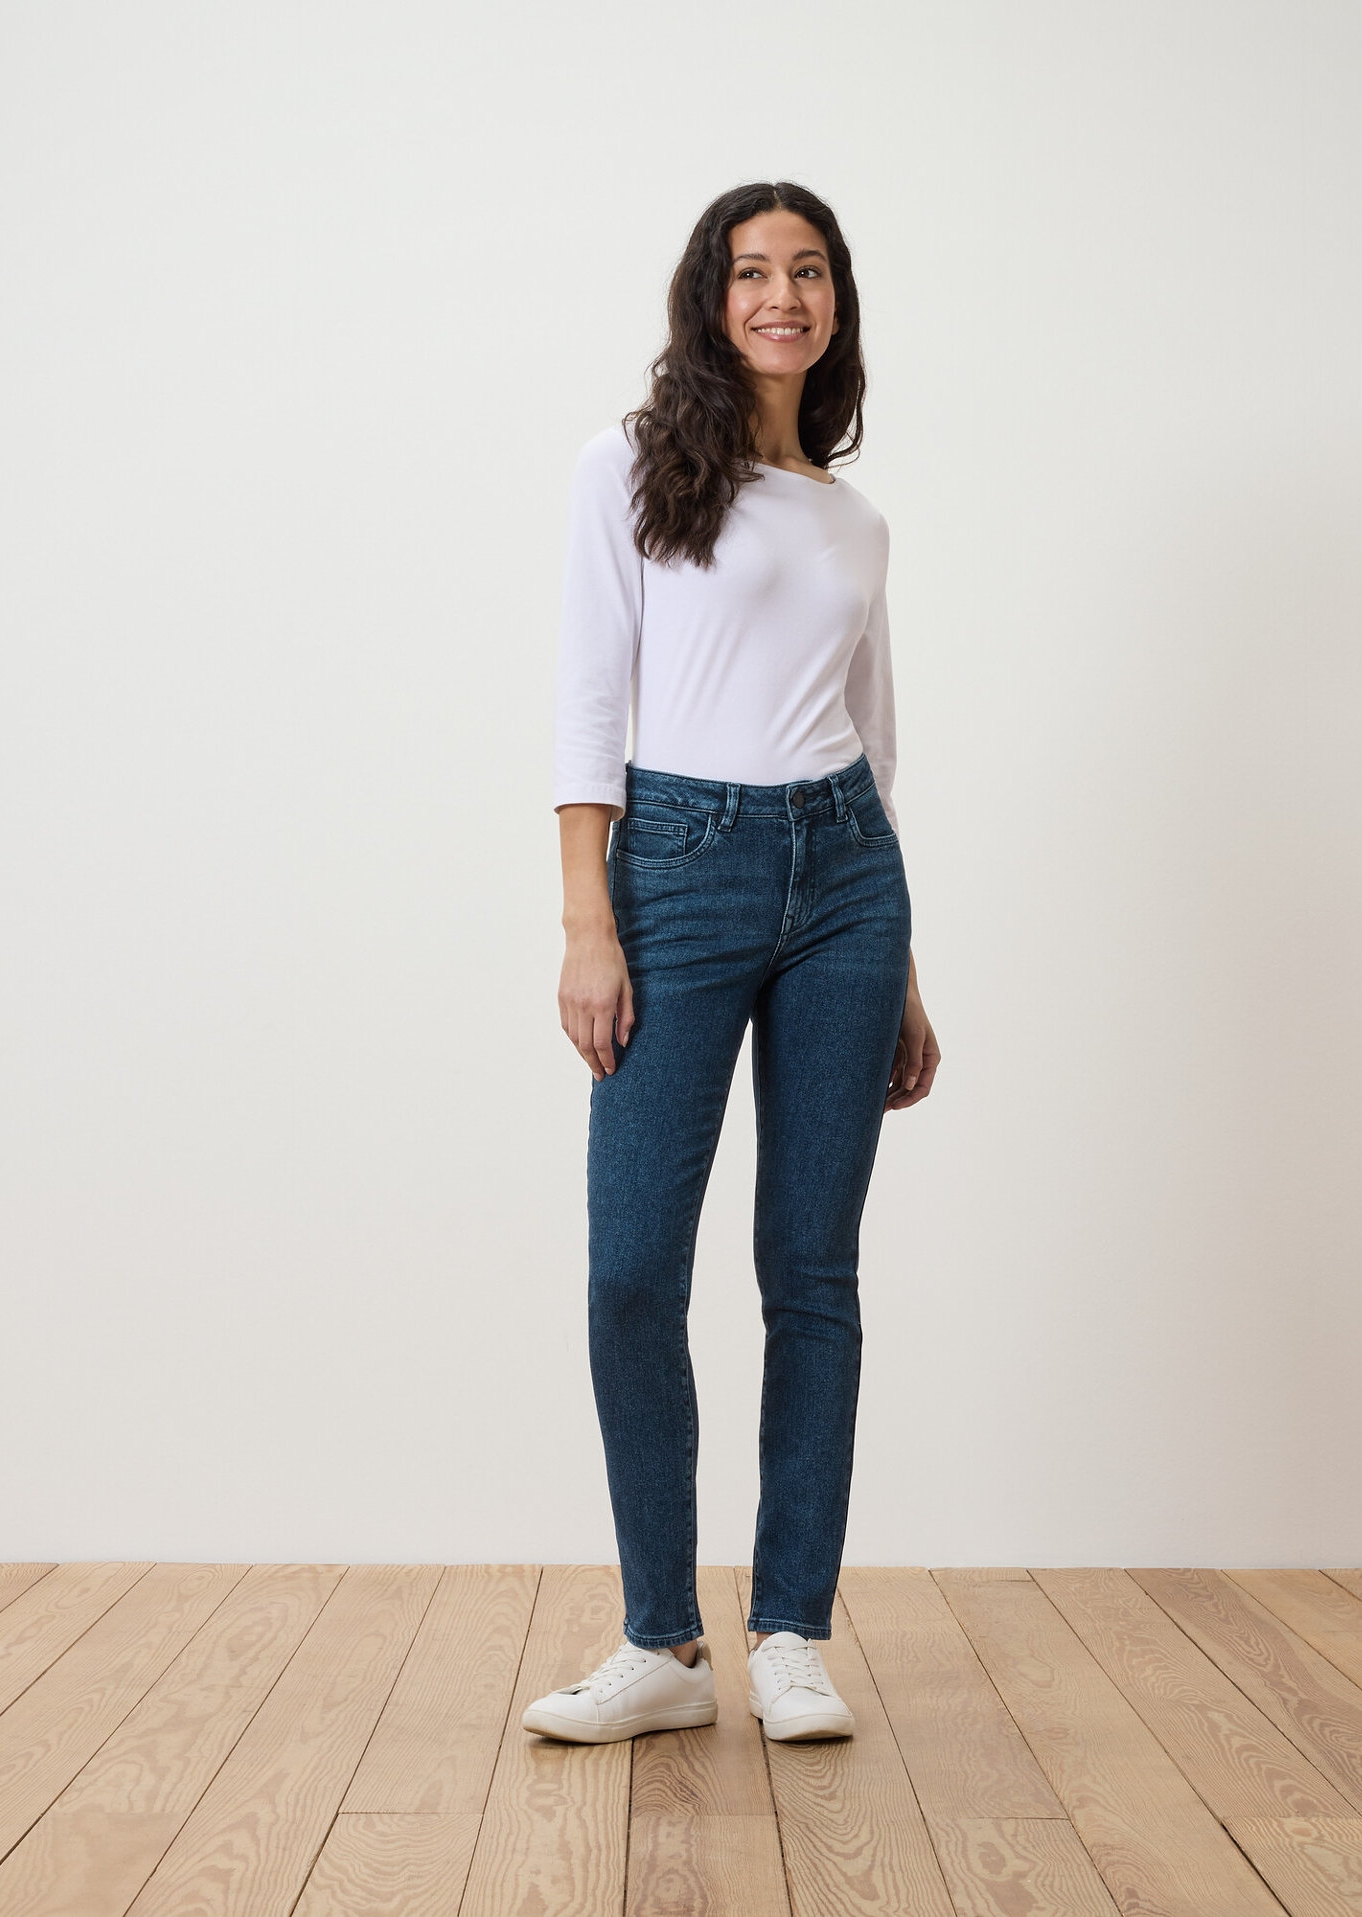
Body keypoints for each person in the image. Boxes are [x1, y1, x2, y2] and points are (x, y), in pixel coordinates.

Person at [519, 182, 941, 1748]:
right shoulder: (627, 467)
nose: (783, 294)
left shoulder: (851, 517)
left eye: (809, 271)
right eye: (753, 271)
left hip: (845, 879)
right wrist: (587, 919)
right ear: (711, 297)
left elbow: (874, 740)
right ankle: (658, 1641)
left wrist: (899, 964)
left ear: (835, 304)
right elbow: (585, 703)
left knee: (808, 1273)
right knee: (633, 1265)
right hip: (677, 873)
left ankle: (788, 1631)